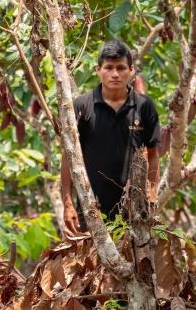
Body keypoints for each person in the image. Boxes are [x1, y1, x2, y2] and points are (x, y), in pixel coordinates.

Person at [62, 40, 161, 233]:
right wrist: (67, 202)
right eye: (109, 67)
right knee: (90, 261)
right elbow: (68, 156)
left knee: (133, 261)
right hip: (91, 207)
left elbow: (153, 154)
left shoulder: (144, 107)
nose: (115, 74)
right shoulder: (82, 106)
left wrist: (151, 193)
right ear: (98, 69)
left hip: (133, 207)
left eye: (121, 68)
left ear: (131, 70)